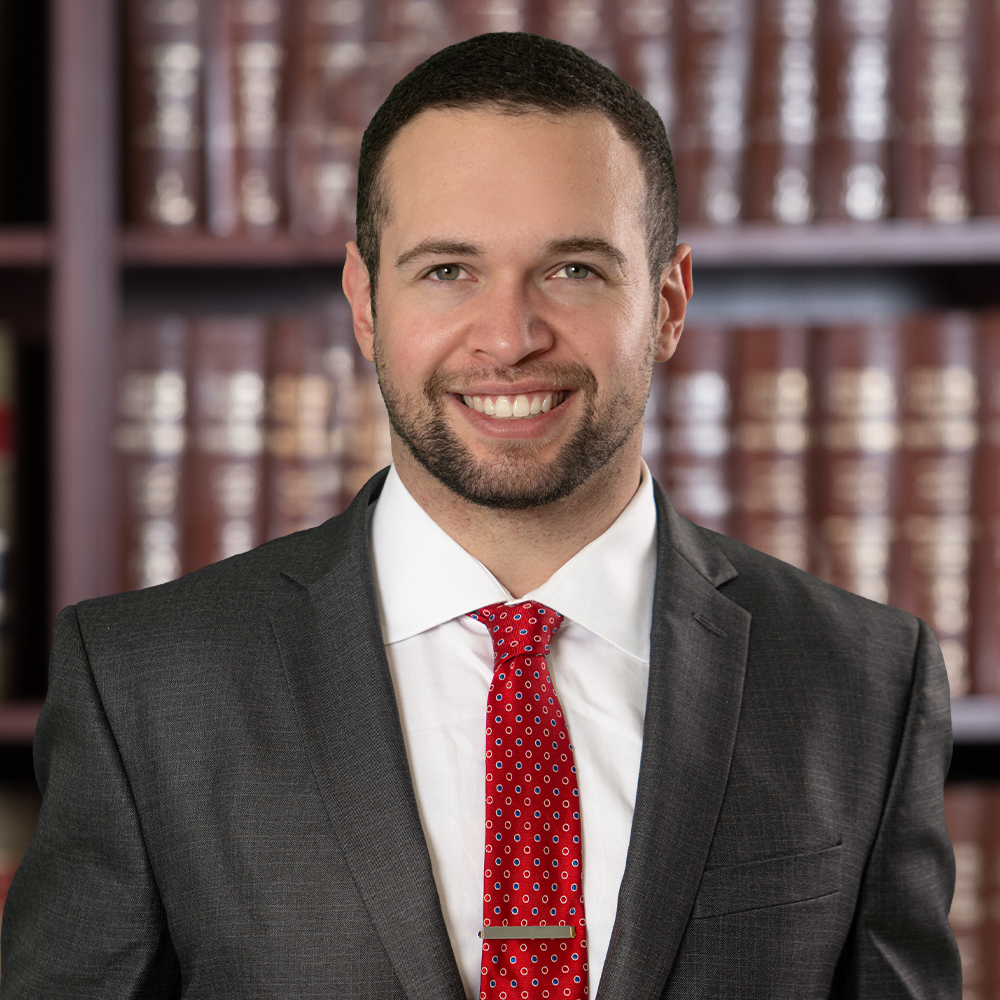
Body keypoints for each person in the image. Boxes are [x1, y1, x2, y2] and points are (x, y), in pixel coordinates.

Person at [1, 32, 959, 1000]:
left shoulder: (864, 684)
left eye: (574, 269)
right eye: (447, 270)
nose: (508, 338)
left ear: (667, 303)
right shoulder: (145, 686)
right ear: (366, 302)